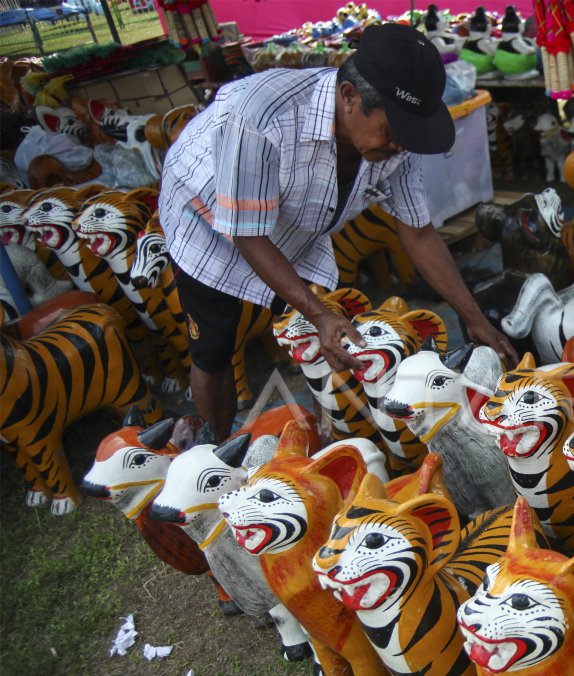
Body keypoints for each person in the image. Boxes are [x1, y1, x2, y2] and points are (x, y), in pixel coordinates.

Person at [160, 23, 518, 440]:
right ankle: (214, 454)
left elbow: (418, 233)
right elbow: (248, 234)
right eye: (392, 131)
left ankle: (327, 437)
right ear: (349, 97)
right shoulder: (261, 117)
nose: (400, 146)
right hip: (205, 216)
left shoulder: (393, 141)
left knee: (317, 337)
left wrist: (473, 317)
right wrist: (319, 312)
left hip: (290, 220)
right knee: (215, 347)